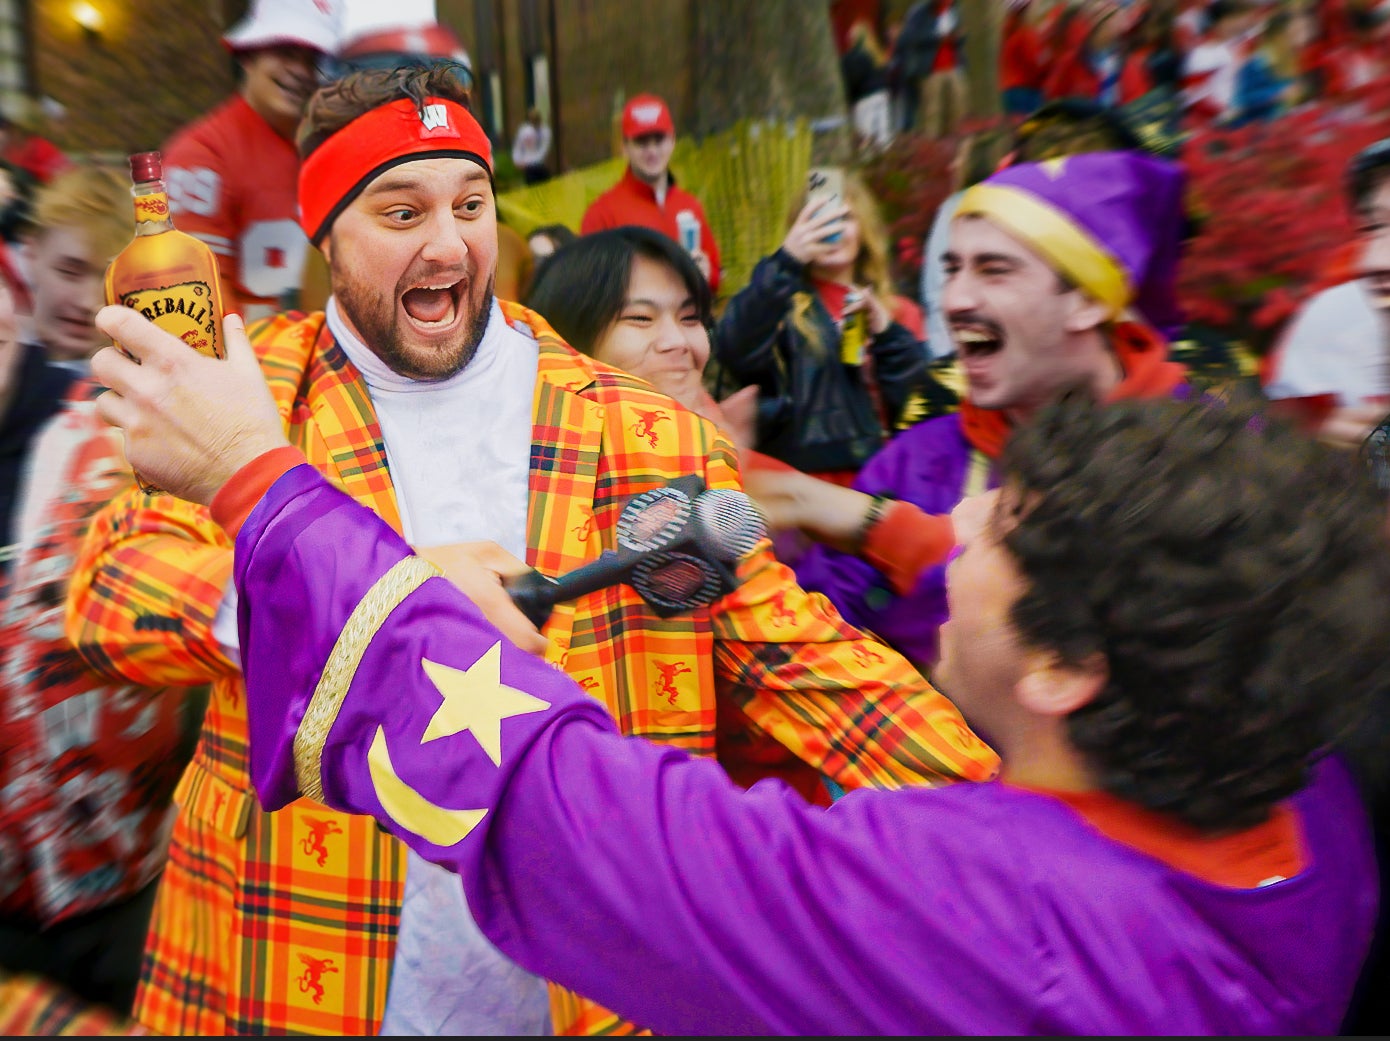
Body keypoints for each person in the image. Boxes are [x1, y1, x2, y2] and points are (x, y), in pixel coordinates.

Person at [89, 309, 1390, 1032]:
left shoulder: (968, 919)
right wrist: (857, 521)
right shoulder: (1297, 791)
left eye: (992, 523)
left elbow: (560, 808)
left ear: (1063, 665)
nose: (952, 528)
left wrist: (258, 489)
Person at [66, 64, 997, 1038]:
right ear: (325, 232)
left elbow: (811, 667)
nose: (447, 242)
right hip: (298, 964)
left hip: (579, 982)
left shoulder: (645, 435)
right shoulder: (247, 394)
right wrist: (377, 602)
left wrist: (1029, 827)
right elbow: (112, 590)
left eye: (470, 204)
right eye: (400, 211)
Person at [791, 149, 1191, 672]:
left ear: (1088, 301)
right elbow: (816, 644)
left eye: (994, 271)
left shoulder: (1210, 449)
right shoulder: (912, 463)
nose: (954, 300)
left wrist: (919, 549)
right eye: (952, 269)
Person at [0, 164, 203, 1016]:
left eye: (102, 276)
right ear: (28, 268)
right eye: (66, 270)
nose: (82, 298)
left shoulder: (130, 426)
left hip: (127, 874)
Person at [712, 168, 932, 487]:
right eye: (820, 219)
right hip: (808, 489)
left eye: (844, 218)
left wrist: (885, 333)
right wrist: (786, 260)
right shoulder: (780, 307)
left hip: (889, 484)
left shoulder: (899, 312)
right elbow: (734, 347)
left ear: (864, 229)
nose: (834, 231)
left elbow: (921, 407)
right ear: (800, 230)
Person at [161, 0, 343, 322]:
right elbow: (189, 300)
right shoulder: (202, 155)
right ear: (248, 55)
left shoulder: (330, 149)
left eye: (314, 59)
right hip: (244, 361)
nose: (301, 72)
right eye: (286, 52)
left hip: (319, 357)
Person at [1263, 136, 1390, 449]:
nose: (1375, 259)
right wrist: (1304, 437)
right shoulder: (1337, 315)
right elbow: (1252, 426)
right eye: (1372, 227)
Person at [579, 93, 721, 292]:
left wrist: (707, 273)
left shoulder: (689, 206)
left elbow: (715, 274)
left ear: (672, 141)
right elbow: (587, 287)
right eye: (642, 142)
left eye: (659, 139)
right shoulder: (601, 215)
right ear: (625, 146)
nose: (652, 151)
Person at [839, 20, 894, 153]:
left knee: (865, 137)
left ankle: (867, 164)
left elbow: (852, 80)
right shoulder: (876, 55)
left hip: (864, 99)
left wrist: (849, 99)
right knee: (883, 136)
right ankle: (886, 162)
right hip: (882, 95)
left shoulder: (853, 57)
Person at [511, 107, 554, 185]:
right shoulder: (524, 131)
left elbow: (544, 149)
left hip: (540, 165)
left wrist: (531, 162)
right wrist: (517, 161)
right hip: (528, 167)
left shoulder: (545, 131)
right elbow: (518, 146)